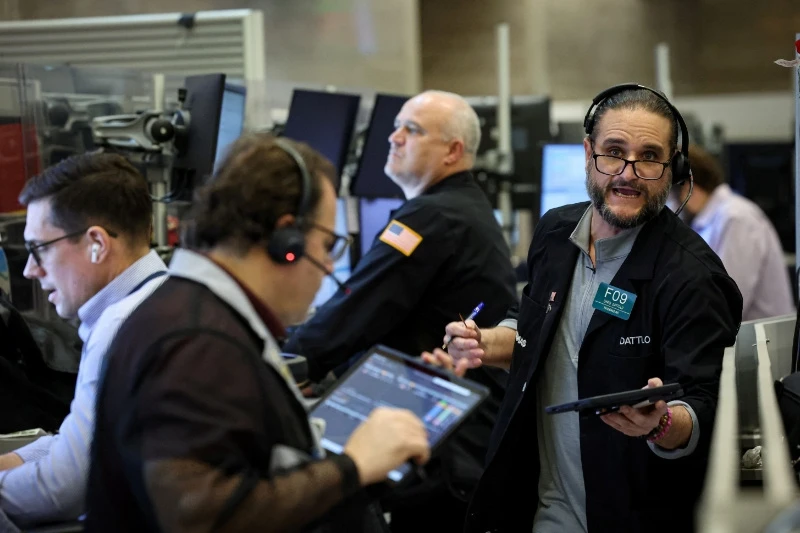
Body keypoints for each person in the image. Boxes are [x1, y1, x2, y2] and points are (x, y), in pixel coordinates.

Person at [424, 84, 743, 533]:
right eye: (614, 151)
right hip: (537, 506)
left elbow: (704, 408)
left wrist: (663, 421)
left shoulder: (692, 277)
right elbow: (530, 328)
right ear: (589, 152)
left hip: (625, 514)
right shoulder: (556, 233)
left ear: (672, 169)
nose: (628, 173)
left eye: (649, 156)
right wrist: (483, 342)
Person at [85, 134, 430, 533]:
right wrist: (352, 467)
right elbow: (201, 517)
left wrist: (369, 460)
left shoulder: (203, 315)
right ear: (288, 241)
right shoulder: (197, 341)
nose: (326, 262)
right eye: (327, 243)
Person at [283, 90, 517, 532]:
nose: (394, 137)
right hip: (462, 437)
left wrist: (283, 365)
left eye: (412, 129)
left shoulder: (430, 218)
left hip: (443, 454)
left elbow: (349, 315)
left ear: (453, 151)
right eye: (397, 126)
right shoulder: (457, 206)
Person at [0, 153, 168, 528]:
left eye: (38, 249)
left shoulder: (122, 327)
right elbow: (84, 447)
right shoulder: (159, 297)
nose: (30, 270)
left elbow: (63, 489)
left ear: (96, 243)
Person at [670, 143, 794, 321]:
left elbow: (725, 303)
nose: (671, 207)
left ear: (689, 186)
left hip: (761, 343)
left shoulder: (736, 219)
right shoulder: (704, 221)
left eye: (671, 197)